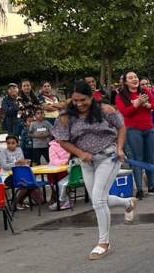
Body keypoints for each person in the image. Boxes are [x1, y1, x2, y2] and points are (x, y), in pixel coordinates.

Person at [53, 80, 137, 260]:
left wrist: (120, 148)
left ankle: (103, 243)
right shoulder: (65, 116)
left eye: (83, 99)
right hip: (86, 161)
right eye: (75, 100)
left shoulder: (106, 110)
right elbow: (61, 140)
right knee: (98, 199)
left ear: (91, 97)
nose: (79, 104)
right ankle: (127, 203)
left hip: (108, 157)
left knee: (98, 201)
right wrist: (80, 153)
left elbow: (121, 126)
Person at [115, 71, 154, 199]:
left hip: (149, 127)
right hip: (133, 130)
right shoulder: (120, 96)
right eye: (130, 78)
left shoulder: (145, 90)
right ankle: (140, 189)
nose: (134, 79)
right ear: (125, 82)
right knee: (137, 159)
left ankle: (152, 186)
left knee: (150, 157)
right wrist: (137, 103)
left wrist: (148, 104)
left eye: (135, 77)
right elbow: (125, 112)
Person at [0, 135, 38, 211]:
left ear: (17, 143)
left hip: (18, 174)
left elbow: (22, 162)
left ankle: (19, 201)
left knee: (31, 184)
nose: (10, 145)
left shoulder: (19, 149)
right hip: (7, 175)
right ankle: (15, 203)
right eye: (8, 143)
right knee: (24, 184)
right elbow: (4, 166)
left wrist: (26, 163)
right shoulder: (3, 152)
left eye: (13, 143)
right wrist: (17, 163)